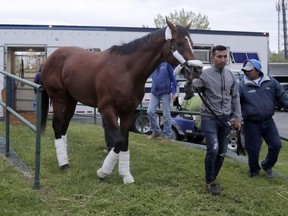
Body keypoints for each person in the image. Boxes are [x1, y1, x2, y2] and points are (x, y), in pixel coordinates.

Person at [192, 45, 242, 195]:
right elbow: (192, 88)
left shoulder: (231, 75)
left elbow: (235, 98)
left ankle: (213, 177)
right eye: (219, 56)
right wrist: (191, 77)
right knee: (213, 149)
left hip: (225, 118)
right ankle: (210, 181)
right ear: (212, 58)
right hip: (209, 117)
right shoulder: (205, 75)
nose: (223, 59)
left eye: (225, 56)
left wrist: (237, 117)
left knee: (222, 152)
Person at [239, 59, 288, 178]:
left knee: (276, 145)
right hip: (251, 123)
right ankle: (254, 171)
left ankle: (267, 165)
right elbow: (235, 104)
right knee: (253, 148)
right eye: (245, 71)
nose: (247, 73)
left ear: (257, 70)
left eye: (250, 70)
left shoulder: (271, 82)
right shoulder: (241, 85)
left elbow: (282, 96)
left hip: (268, 121)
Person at [147, 62, 177, 142]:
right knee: (149, 111)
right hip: (154, 92)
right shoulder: (153, 64)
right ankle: (156, 131)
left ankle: (168, 137)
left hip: (165, 93)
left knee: (166, 114)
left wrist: (174, 92)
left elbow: (174, 79)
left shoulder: (167, 64)